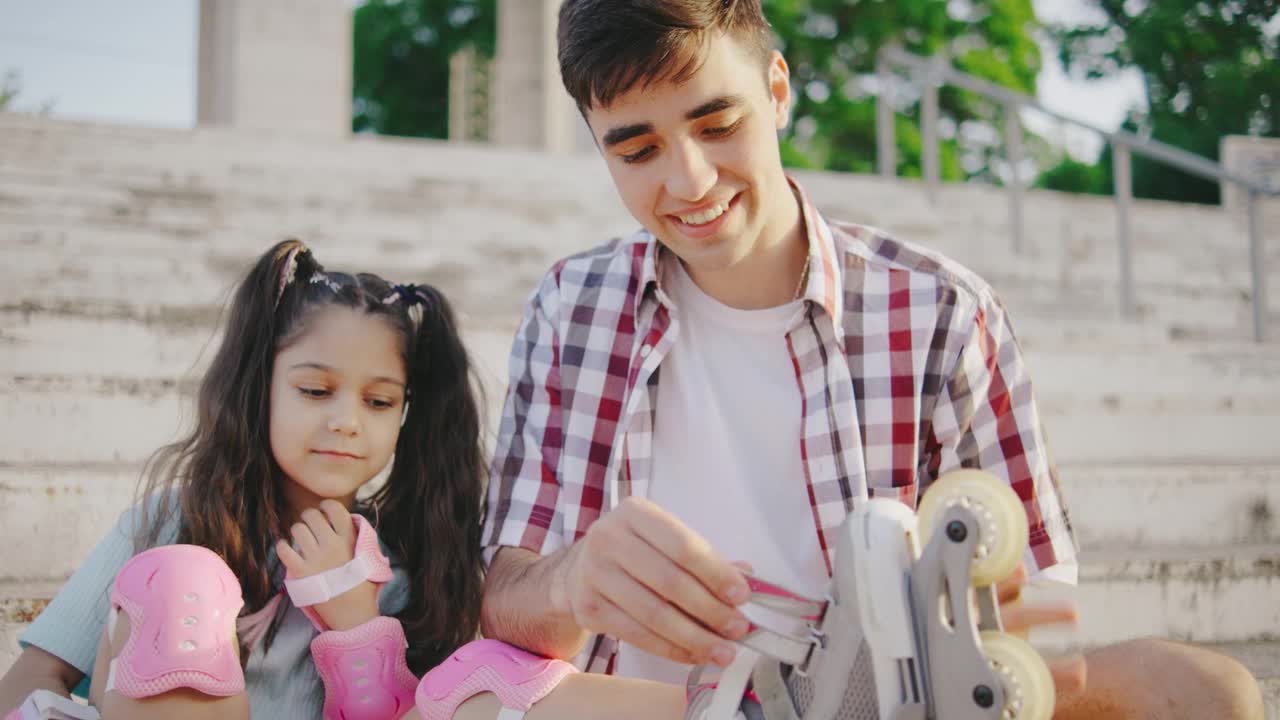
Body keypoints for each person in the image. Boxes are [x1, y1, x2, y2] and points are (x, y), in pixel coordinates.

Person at [453, 1, 1265, 719]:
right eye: (637, 151)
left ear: (777, 90)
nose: (689, 180)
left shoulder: (944, 312)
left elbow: (1038, 616)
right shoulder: (571, 307)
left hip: (886, 705)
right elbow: (506, 603)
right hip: (652, 707)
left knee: (1207, 693)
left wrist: (943, 632)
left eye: (716, 124)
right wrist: (571, 584)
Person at [0, 239, 488, 720]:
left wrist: (357, 625)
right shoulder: (174, 520)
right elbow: (32, 677)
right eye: (316, 390)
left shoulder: (403, 572)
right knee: (181, 581)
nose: (347, 421)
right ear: (262, 387)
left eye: (378, 402)